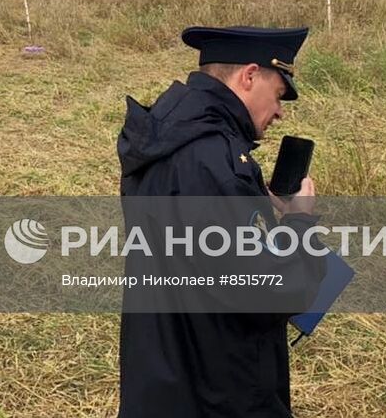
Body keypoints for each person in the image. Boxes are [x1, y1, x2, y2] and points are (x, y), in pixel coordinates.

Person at [117, 26, 324, 418]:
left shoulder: (166, 132)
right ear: (249, 76)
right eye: (279, 95)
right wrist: (299, 223)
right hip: (215, 388)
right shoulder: (216, 162)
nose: (279, 111)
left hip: (161, 370)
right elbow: (269, 295)